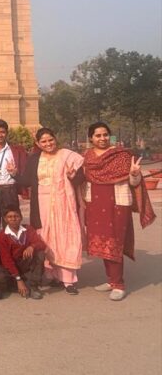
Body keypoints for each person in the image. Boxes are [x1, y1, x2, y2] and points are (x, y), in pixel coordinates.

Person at [82, 122, 155, 301]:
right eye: (98, 135)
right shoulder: (87, 156)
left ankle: (119, 284)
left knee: (114, 243)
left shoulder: (122, 156)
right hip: (95, 204)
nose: (102, 138)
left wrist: (135, 174)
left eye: (105, 134)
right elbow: (82, 179)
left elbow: (133, 183)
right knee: (103, 244)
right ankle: (111, 281)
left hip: (117, 204)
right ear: (91, 138)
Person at [13, 128, 84, 295]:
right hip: (42, 205)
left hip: (64, 203)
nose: (48, 144)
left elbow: (81, 177)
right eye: (43, 142)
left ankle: (68, 280)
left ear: (55, 139)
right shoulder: (35, 158)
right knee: (46, 239)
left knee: (65, 238)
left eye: (50, 140)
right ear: (38, 144)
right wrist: (14, 174)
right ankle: (51, 275)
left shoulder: (67, 155)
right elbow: (27, 181)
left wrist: (74, 176)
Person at [0, 208, 46, 300]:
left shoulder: (28, 229)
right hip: (10, 264)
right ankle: (19, 283)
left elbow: (41, 244)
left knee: (40, 254)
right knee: (0, 278)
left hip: (24, 261)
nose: (13, 219)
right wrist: (18, 279)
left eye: (16, 216)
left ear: (21, 218)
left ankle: (33, 286)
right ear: (5, 219)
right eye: (9, 217)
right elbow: (6, 259)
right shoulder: (2, 235)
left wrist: (32, 246)